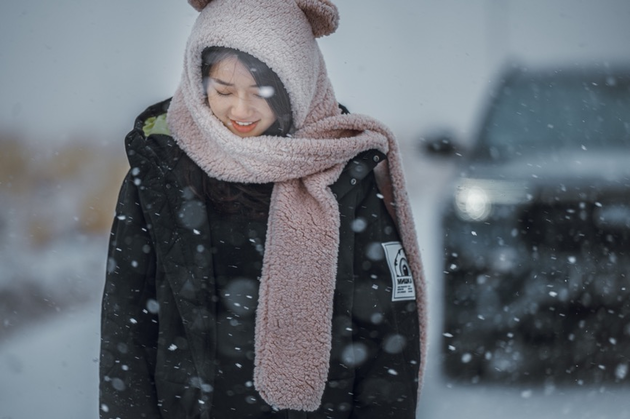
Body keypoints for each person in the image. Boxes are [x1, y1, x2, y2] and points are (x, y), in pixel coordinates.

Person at [99, 0, 427, 418]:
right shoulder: (162, 171)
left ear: (297, 84)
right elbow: (126, 325)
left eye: (262, 92)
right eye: (222, 90)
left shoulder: (342, 173)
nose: (240, 110)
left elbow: (387, 331)